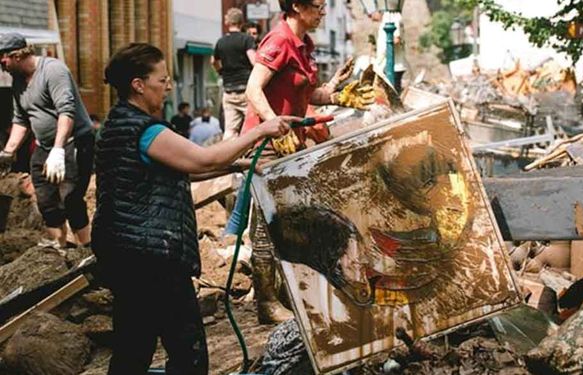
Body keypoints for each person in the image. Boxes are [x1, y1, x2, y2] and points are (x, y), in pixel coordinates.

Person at [93, 42, 295, 375]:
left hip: (126, 253)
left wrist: (238, 166)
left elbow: (187, 168)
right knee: (187, 351)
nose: (168, 85)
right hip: (153, 257)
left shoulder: (117, 124)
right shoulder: (146, 130)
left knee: (134, 346)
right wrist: (260, 130)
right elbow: (203, 158)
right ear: (138, 85)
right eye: (162, 79)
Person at [242, 0, 374, 324]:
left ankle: (287, 293)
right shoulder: (279, 41)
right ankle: (266, 302)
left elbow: (306, 94)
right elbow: (252, 89)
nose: (323, 11)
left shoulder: (304, 45)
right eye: (318, 5)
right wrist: (272, 124)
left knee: (288, 222)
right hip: (266, 145)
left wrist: (337, 96)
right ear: (297, 6)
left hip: (289, 143)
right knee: (266, 225)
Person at [0, 32, 94, 248]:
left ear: (15, 55)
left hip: (74, 141)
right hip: (44, 145)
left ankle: (86, 248)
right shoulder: (18, 82)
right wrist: (8, 151)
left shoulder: (53, 70)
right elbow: (21, 119)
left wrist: (59, 150)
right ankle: (59, 245)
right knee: (45, 199)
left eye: (2, 59)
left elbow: (66, 111)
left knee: (70, 197)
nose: (1, 65)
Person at [213, 8, 256, 140]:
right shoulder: (246, 39)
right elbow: (253, 60)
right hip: (246, 90)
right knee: (253, 128)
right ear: (241, 22)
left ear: (227, 22)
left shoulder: (221, 42)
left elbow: (214, 61)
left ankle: (231, 159)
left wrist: (221, 71)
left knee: (230, 130)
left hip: (229, 90)